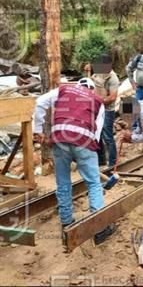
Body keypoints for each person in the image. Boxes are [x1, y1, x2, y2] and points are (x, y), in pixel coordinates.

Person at [33, 78, 116, 246]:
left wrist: (37, 131)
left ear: (78, 85)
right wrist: (85, 153)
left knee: (63, 183)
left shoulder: (64, 90)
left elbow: (40, 101)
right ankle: (99, 230)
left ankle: (66, 224)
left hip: (60, 139)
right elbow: (97, 132)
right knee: (93, 183)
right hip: (84, 142)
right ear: (92, 90)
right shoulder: (97, 100)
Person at [89, 56, 119, 169]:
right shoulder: (99, 73)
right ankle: (101, 160)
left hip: (107, 110)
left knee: (107, 136)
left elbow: (112, 97)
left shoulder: (113, 78)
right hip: (97, 109)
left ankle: (112, 162)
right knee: (97, 135)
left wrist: (99, 101)